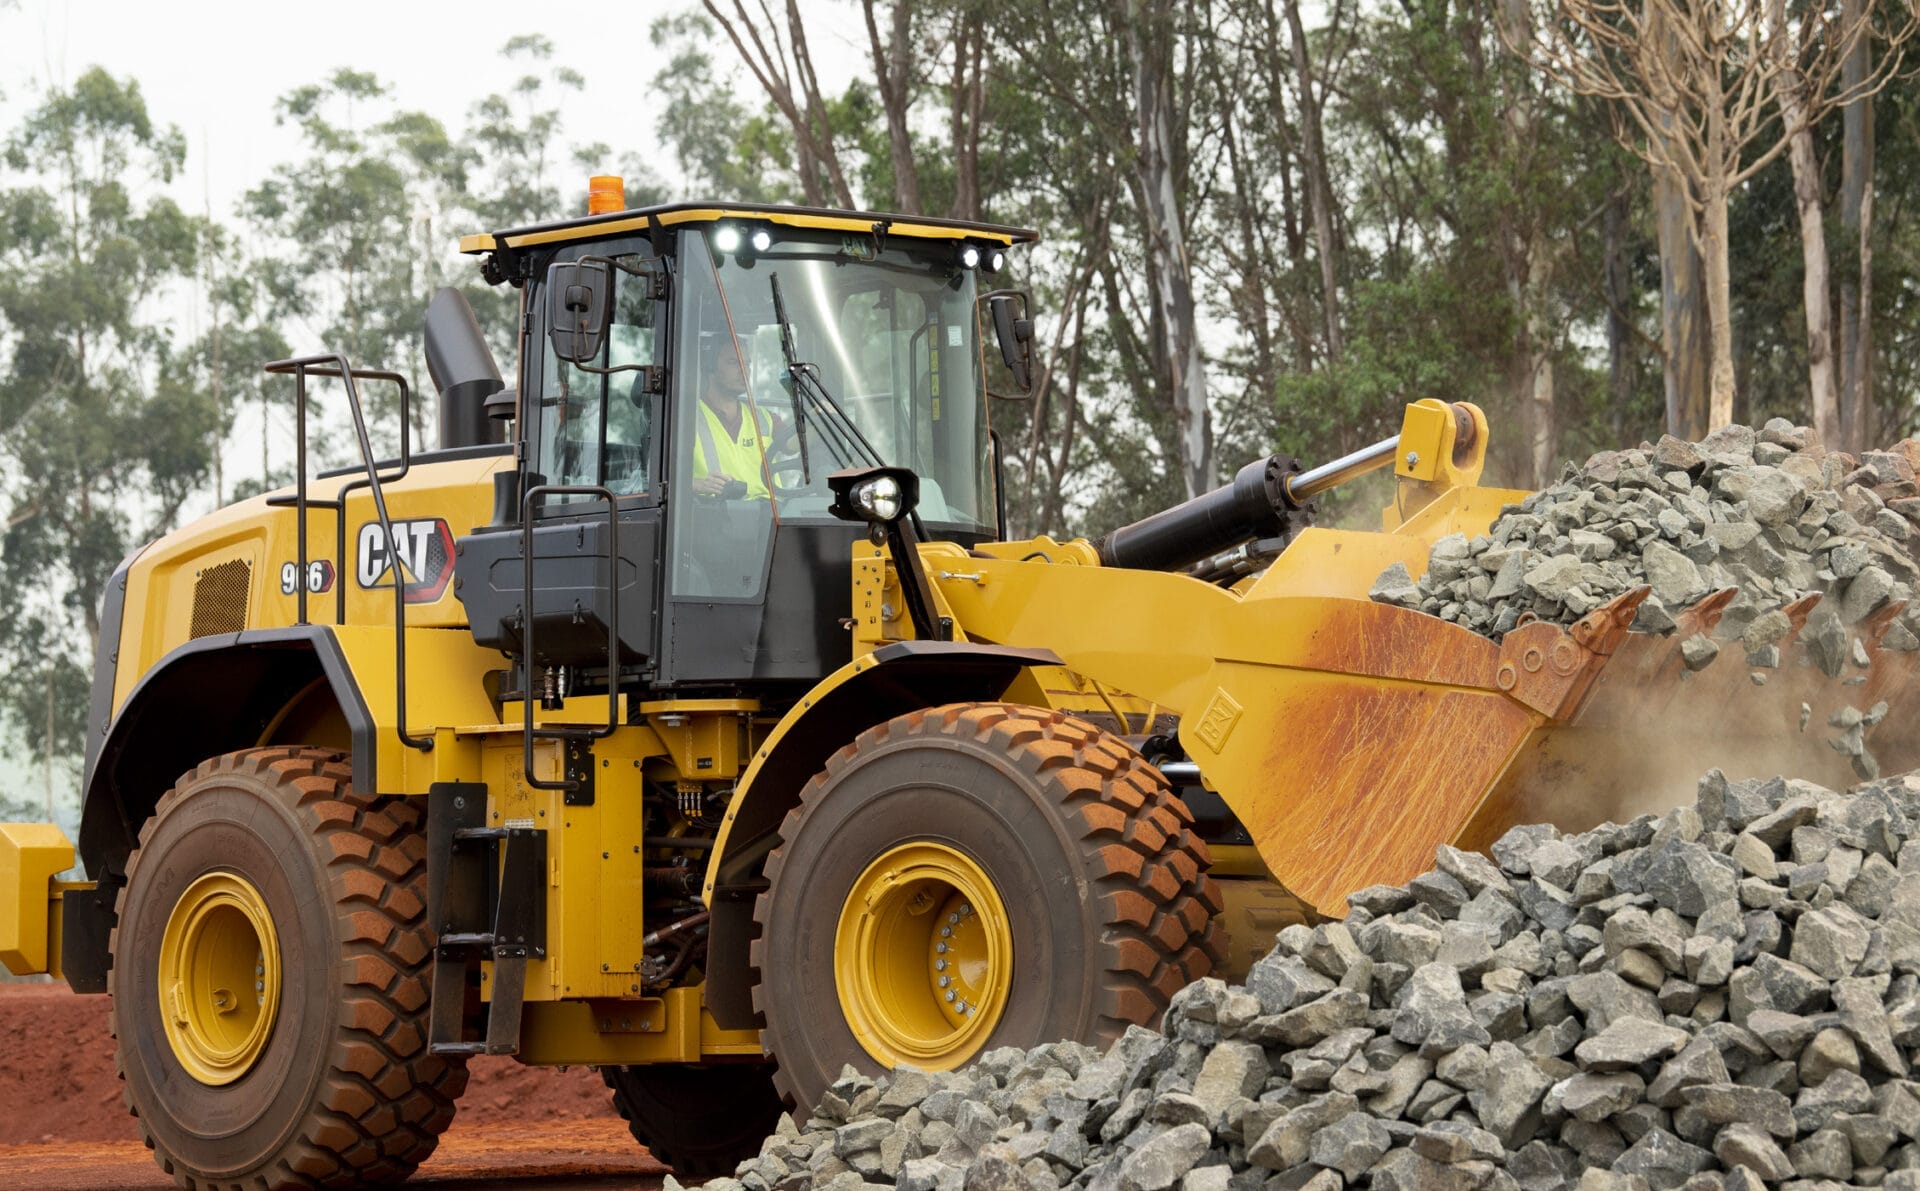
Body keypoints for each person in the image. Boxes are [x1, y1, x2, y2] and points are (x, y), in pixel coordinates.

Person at [689, 334, 780, 500]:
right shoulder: (684, 418)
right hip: (712, 518)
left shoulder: (766, 419)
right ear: (709, 366)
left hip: (771, 517)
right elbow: (657, 478)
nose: (744, 370)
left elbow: (799, 445)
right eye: (733, 362)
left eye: (747, 363)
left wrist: (819, 418)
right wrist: (695, 484)